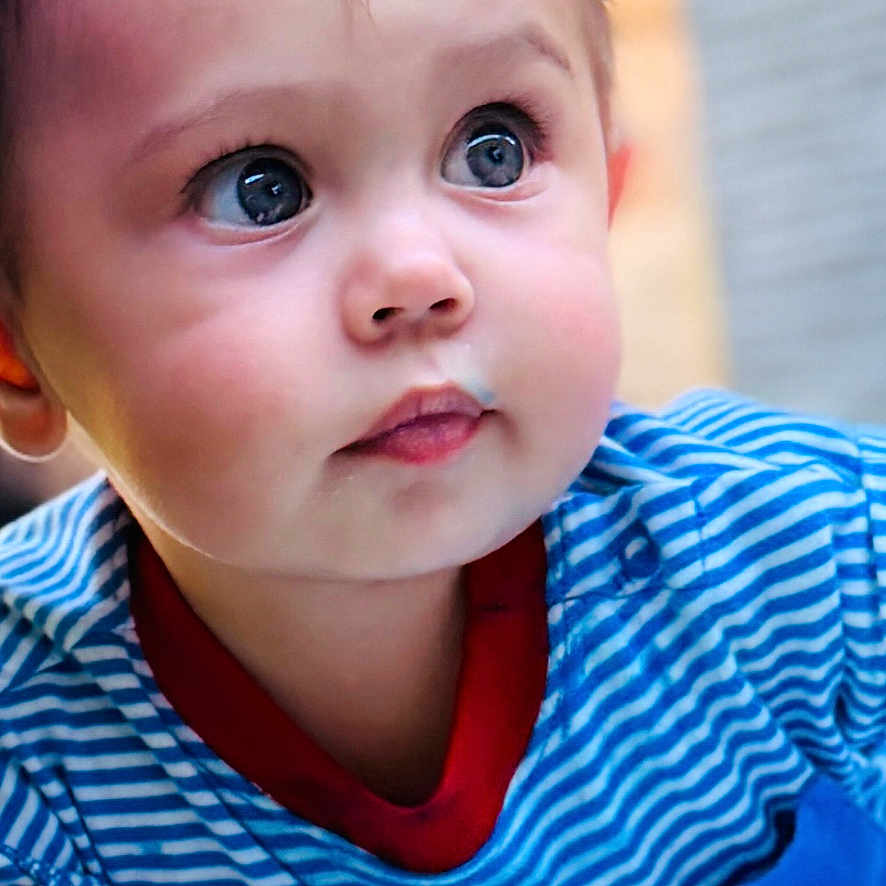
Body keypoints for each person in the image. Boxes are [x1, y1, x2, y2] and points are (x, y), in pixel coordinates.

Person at [0, 1, 883, 884]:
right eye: (259, 187)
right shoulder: (31, 781)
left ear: (605, 199)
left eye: (494, 150)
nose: (422, 276)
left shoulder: (811, 558)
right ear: (18, 358)